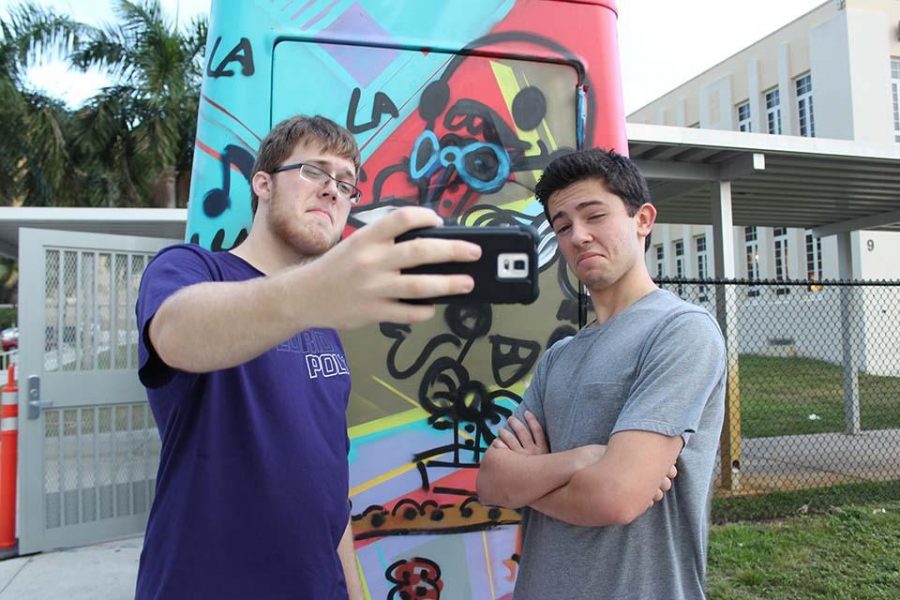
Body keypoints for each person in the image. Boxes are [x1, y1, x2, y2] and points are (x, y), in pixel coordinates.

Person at [134, 115, 482, 600]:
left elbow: (328, 488)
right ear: (263, 184)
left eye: (346, 183)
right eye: (315, 172)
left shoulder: (323, 319)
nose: (333, 190)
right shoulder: (192, 268)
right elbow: (175, 333)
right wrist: (313, 291)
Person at [476, 149, 726, 599]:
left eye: (595, 215)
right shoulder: (559, 357)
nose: (579, 236)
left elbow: (615, 497)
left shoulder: (681, 331)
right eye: (563, 226)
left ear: (643, 219)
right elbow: (492, 481)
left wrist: (530, 481)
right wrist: (583, 459)